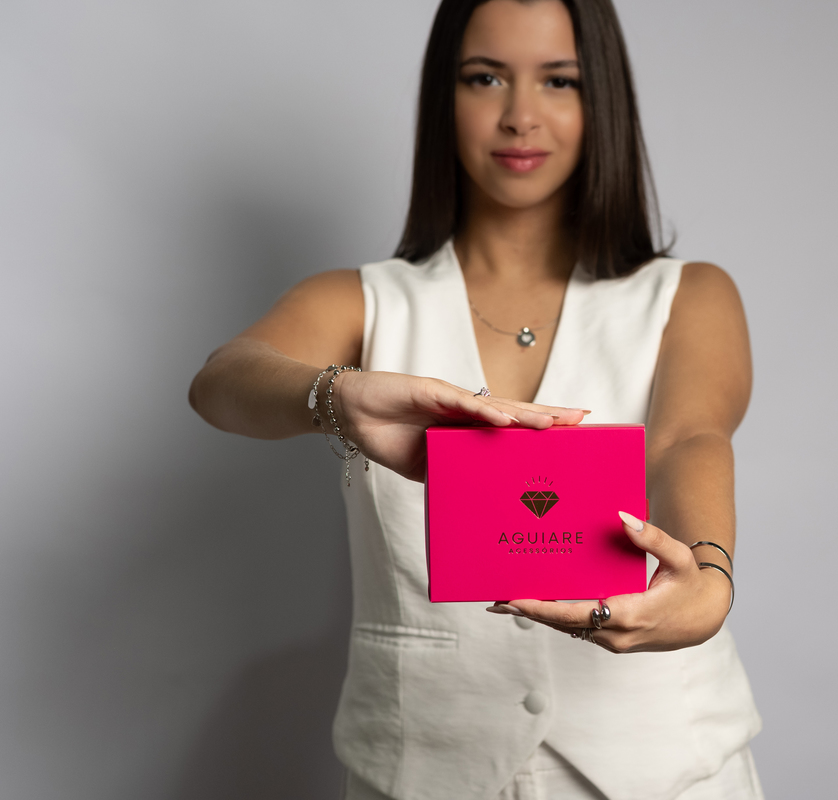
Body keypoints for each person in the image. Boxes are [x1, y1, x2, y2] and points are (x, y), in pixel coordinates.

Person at [189, 0, 762, 797]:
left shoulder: (688, 295)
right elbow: (221, 382)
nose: (520, 115)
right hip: (422, 770)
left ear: (602, 98)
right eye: (485, 78)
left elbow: (686, 439)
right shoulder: (359, 302)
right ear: (443, 97)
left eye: (559, 81)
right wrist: (336, 395)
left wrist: (708, 577)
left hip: (667, 770)